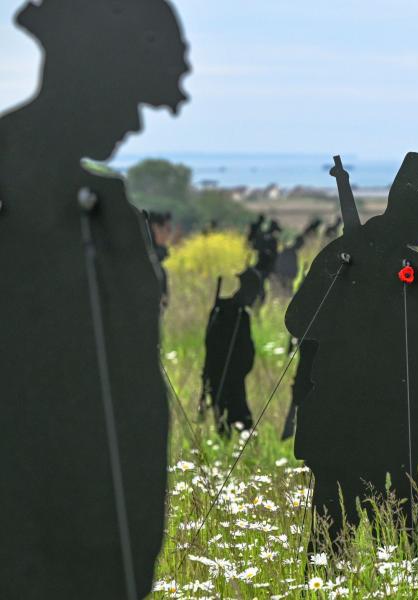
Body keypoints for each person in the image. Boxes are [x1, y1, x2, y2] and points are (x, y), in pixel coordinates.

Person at [0, 1, 189, 597]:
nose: (133, 125)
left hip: (99, 547)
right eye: (129, 99)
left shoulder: (108, 209)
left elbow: (133, 389)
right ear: (83, 73)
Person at [285, 152, 418, 550]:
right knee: (334, 552)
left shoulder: (404, 268)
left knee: (390, 554)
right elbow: (300, 322)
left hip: (386, 436)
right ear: (410, 207)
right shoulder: (348, 258)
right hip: (364, 434)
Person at [202, 268, 259, 437]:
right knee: (239, 420)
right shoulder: (237, 314)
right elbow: (213, 345)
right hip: (227, 376)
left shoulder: (223, 309)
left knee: (228, 419)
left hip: (222, 375)